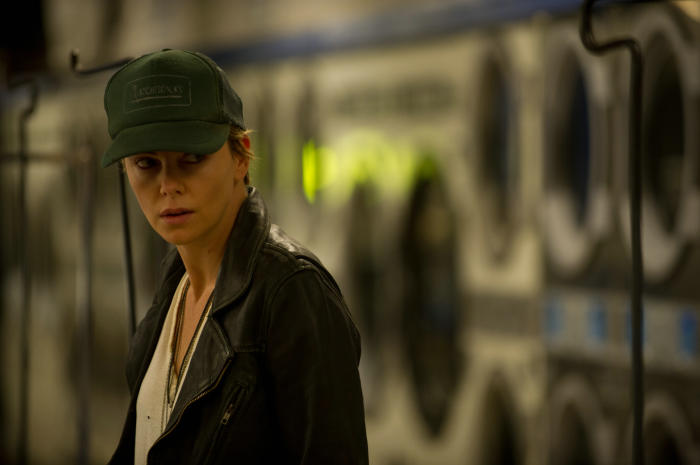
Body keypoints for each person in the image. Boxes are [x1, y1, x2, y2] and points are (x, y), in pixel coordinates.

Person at [102, 49, 368, 464]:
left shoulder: (292, 292)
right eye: (146, 163)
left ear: (241, 156)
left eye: (191, 158)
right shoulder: (174, 286)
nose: (168, 185)